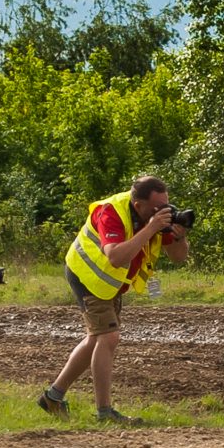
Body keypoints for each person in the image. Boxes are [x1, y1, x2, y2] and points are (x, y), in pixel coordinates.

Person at [37, 174, 189, 425]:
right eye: (157, 207)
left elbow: (179, 258)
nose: (164, 211)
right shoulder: (112, 212)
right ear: (138, 204)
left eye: (166, 205)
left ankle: (53, 397)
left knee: (96, 339)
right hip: (87, 274)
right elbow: (115, 257)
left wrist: (179, 235)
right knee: (109, 337)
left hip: (110, 283)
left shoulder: (157, 219)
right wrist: (151, 227)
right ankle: (104, 412)